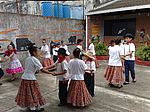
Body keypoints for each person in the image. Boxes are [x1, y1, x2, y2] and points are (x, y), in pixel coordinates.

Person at [15, 44, 53, 111]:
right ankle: (36, 108)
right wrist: (51, 73)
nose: (38, 53)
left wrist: (50, 67)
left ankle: (30, 106)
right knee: (34, 93)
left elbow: (38, 68)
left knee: (27, 94)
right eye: (37, 52)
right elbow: (42, 69)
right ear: (34, 52)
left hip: (24, 78)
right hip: (30, 79)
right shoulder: (35, 60)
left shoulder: (28, 59)